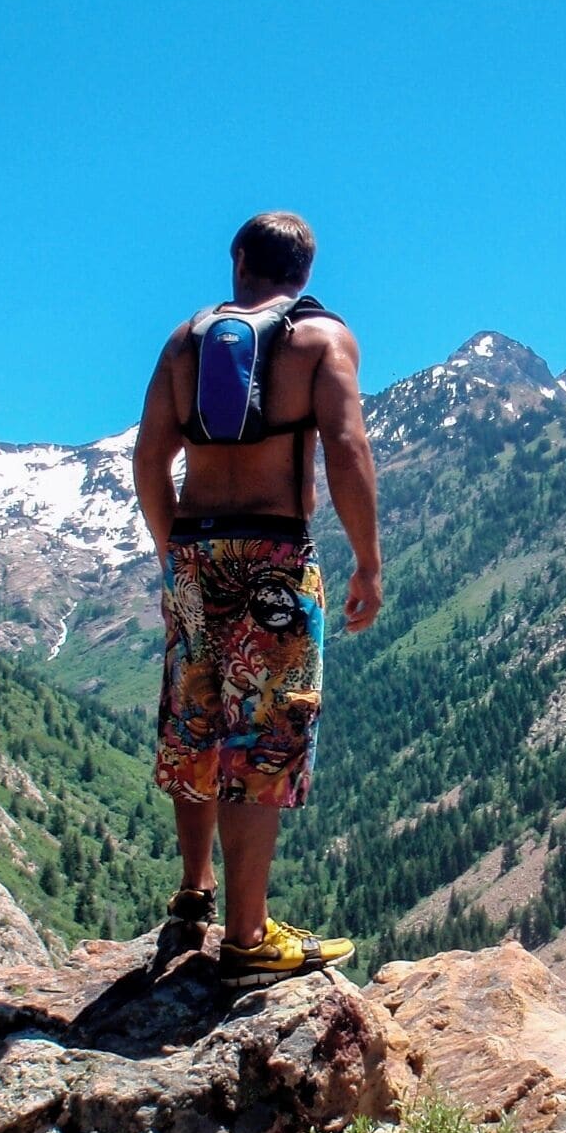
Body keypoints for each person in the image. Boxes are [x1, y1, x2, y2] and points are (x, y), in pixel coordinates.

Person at [132, 211, 382, 988]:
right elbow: (345, 445)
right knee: (263, 733)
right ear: (304, 273)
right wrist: (368, 562)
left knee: (196, 714)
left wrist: (174, 548)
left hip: (198, 552)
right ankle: (246, 938)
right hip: (273, 558)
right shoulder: (321, 340)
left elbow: (149, 457)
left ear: (238, 259)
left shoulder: (185, 342)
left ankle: (194, 893)